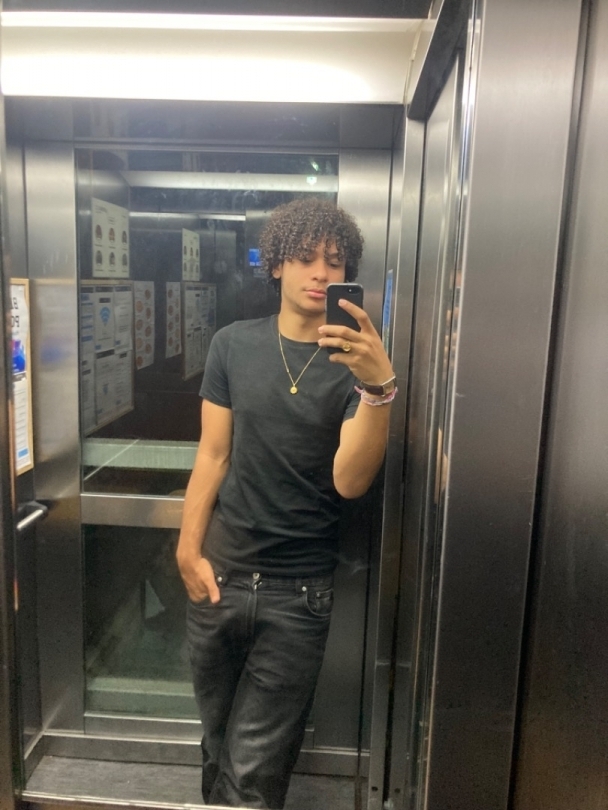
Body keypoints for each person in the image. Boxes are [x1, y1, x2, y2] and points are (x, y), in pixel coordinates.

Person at [177, 197, 396, 809]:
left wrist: (379, 388)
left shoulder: (358, 365)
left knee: (252, 774)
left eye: (335, 261)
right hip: (218, 579)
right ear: (276, 264)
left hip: (298, 594)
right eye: (304, 257)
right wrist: (187, 550)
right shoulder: (232, 345)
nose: (321, 272)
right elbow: (212, 455)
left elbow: (351, 481)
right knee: (217, 746)